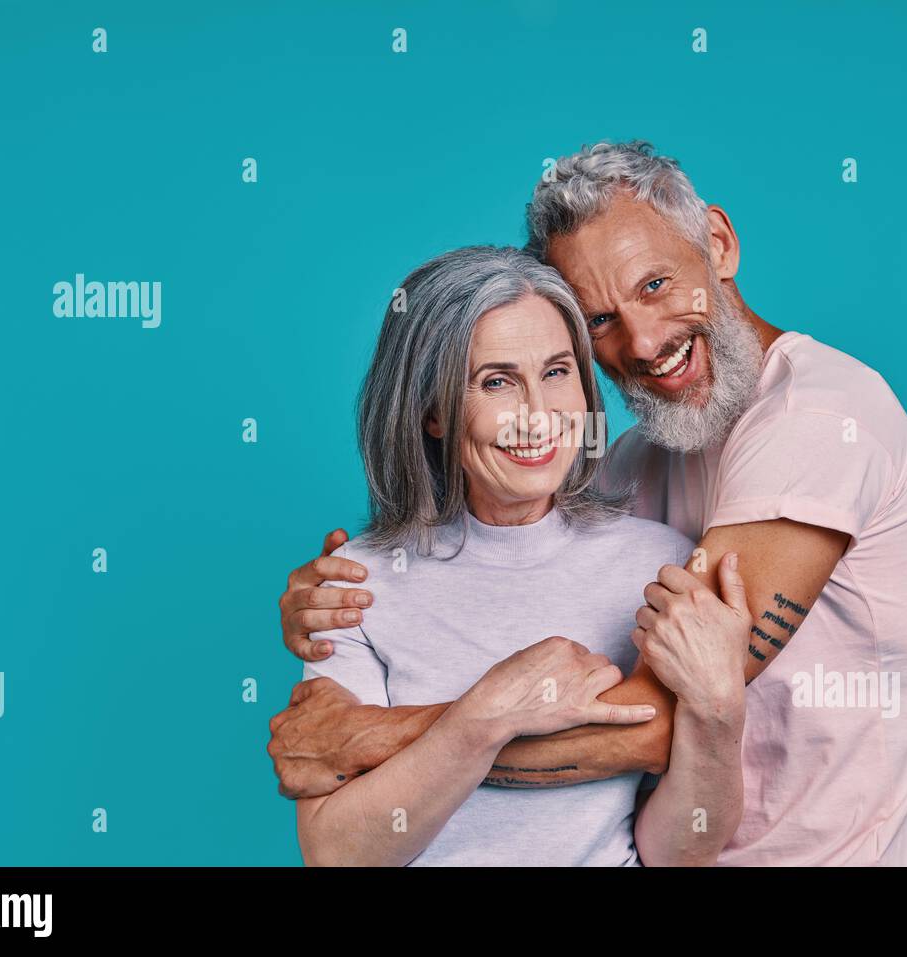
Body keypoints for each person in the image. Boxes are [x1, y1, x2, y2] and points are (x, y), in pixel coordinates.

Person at [271, 141, 907, 866]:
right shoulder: (633, 468)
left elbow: (650, 725)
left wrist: (369, 734)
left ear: (717, 245)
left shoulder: (818, 419)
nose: (644, 339)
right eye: (599, 319)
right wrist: (329, 597)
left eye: (656, 284)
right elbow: (523, 552)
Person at [283, 244, 748, 866]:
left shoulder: (660, 567)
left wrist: (719, 714)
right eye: (496, 381)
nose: (539, 417)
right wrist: (488, 711)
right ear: (433, 412)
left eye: (557, 373)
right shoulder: (355, 588)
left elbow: (680, 851)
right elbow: (339, 852)